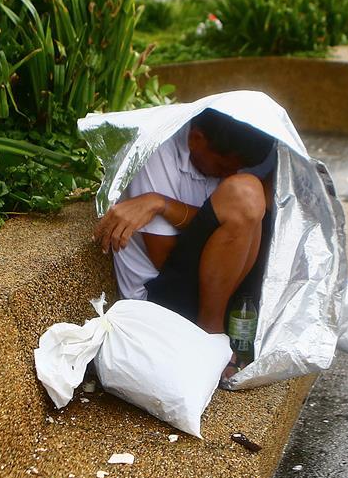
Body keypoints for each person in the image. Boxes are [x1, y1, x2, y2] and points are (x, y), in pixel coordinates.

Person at [92, 108, 275, 344]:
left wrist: (162, 204)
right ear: (196, 138)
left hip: (209, 287)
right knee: (245, 192)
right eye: (222, 166)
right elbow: (163, 256)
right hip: (160, 297)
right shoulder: (156, 152)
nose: (228, 174)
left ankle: (231, 320)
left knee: (262, 193)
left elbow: (218, 221)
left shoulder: (219, 161)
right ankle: (211, 334)